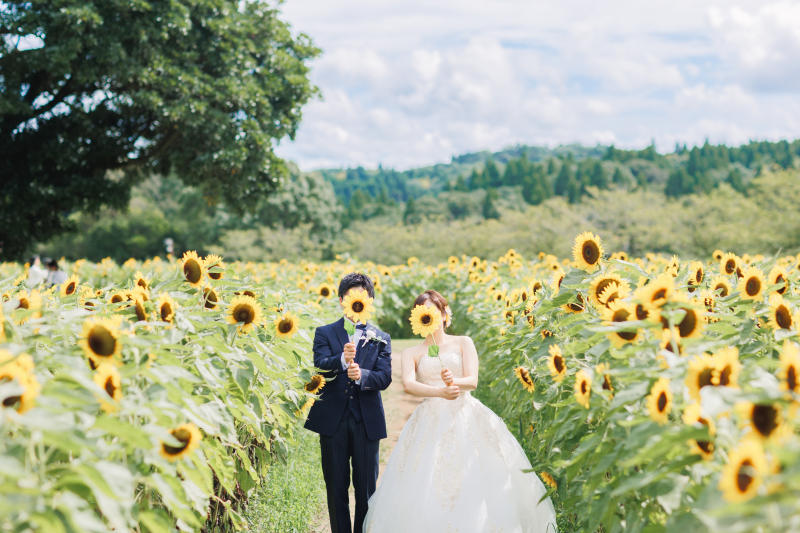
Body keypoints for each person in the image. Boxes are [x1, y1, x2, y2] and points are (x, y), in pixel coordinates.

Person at [362, 290, 558, 533]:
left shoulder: (463, 342)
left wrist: (453, 381)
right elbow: (409, 385)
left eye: (434, 311)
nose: (430, 316)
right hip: (429, 417)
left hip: (466, 414)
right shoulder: (413, 352)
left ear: (445, 314)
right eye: (423, 312)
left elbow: (473, 381)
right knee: (425, 478)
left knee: (479, 475)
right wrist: (440, 392)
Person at [304, 273, 393, 533]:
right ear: (342, 299)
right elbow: (320, 364)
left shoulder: (381, 337)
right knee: (336, 487)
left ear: (370, 300)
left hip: (366, 421)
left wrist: (362, 375)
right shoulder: (325, 332)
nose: (357, 302)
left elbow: (385, 377)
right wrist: (342, 361)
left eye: (363, 297)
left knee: (366, 489)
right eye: (351, 296)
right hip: (333, 420)